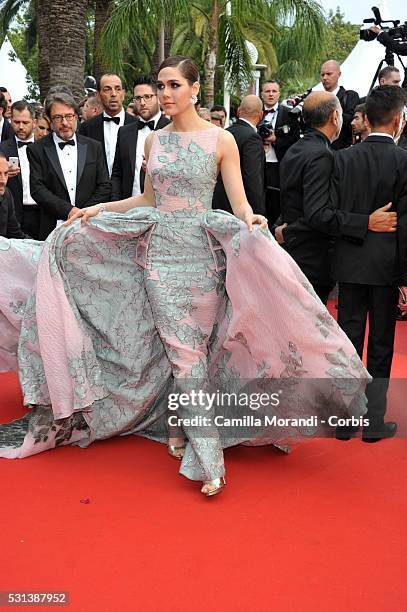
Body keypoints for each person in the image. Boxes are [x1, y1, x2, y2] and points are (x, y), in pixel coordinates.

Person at [0, 57, 370, 498]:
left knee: (201, 350)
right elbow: (149, 199)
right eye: (160, 86)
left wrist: (253, 221)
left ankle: (177, 425)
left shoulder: (222, 139)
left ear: (194, 89)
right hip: (158, 259)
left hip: (204, 260)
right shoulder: (153, 141)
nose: (165, 94)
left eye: (174, 85)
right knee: (183, 354)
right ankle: (209, 457)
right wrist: (100, 210)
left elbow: (239, 202)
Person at [331, 85, 407, 442]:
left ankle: (346, 420)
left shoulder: (342, 158)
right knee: (380, 342)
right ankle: (373, 423)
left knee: (348, 339)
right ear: (397, 121)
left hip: (349, 261)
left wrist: (359, 222)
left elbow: (330, 214)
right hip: (386, 266)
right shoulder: (404, 161)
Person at [275, 92, 394, 305]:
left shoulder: (295, 149)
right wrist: (366, 222)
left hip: (293, 254)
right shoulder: (322, 155)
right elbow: (318, 214)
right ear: (335, 117)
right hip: (313, 260)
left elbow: (291, 199)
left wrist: (284, 231)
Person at [27, 92, 111, 239]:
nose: (65, 123)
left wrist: (84, 212)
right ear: (49, 120)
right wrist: (69, 211)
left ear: (77, 117)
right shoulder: (37, 150)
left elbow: (104, 185)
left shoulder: (94, 147)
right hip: (53, 227)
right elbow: (37, 189)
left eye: (69, 116)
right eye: (58, 117)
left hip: (89, 225)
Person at [110, 75, 170, 200]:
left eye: (147, 97)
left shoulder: (172, 130)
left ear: (158, 97)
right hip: (128, 210)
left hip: (162, 208)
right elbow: (117, 173)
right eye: (138, 98)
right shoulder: (124, 132)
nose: (142, 103)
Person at [212, 94, 266, 215]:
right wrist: (258, 213)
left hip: (219, 202)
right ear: (261, 115)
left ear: (238, 111)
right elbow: (252, 177)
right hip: (241, 209)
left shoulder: (225, 132)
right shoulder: (252, 138)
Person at [79, 73, 137, 176]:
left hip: (130, 190)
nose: (113, 94)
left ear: (123, 93)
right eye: (107, 89)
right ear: (98, 95)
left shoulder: (137, 125)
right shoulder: (87, 128)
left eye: (118, 89)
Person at [260, 80, 299, 224]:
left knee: (276, 201)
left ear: (279, 94)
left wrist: (275, 140)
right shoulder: (256, 111)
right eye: (267, 91)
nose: (271, 94)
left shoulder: (289, 114)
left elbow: (294, 139)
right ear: (262, 94)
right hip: (258, 163)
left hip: (279, 164)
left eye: (274, 91)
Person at [0, 101, 40, 239]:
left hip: (42, 213)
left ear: (34, 122)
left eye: (25, 122)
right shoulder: (2, 149)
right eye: (16, 122)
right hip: (13, 215)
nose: (20, 127)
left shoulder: (46, 148)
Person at [320, 60, 359, 150]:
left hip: (342, 150)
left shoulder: (350, 96)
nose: (325, 78)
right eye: (322, 75)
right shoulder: (317, 98)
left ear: (339, 74)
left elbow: (350, 119)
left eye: (329, 74)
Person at [0, 153, 29, 238]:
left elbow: (15, 234)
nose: (3, 181)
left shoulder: (6, 194)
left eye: (5, 174)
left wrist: (41, 247)